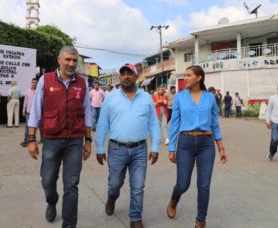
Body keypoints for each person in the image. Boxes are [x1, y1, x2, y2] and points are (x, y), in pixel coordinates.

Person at [27, 45, 92, 228]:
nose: (71, 64)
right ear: (59, 60)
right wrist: (31, 140)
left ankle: (69, 224)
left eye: (74, 60)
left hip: (74, 141)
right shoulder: (45, 81)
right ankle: (51, 201)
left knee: (71, 185)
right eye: (68, 60)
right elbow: (35, 112)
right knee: (48, 180)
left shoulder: (82, 83)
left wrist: (88, 141)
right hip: (51, 139)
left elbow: (87, 114)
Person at [95, 63, 160, 228]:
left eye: (129, 73)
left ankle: (135, 218)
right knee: (115, 183)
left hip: (140, 149)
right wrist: (100, 148)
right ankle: (111, 198)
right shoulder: (110, 98)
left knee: (138, 185)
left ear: (136, 77)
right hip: (117, 149)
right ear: (119, 77)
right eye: (123, 74)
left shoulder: (146, 98)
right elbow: (102, 124)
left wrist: (155, 148)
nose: (126, 76)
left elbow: (153, 123)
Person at [167, 65, 228, 228]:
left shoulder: (209, 98)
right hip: (185, 143)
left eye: (188, 75)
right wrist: (171, 148)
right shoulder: (180, 97)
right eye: (185, 75)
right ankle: (173, 200)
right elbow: (174, 124)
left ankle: (201, 220)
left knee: (204, 185)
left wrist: (221, 147)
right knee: (183, 184)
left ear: (199, 77)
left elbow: (215, 123)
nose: (185, 78)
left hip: (206, 145)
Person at [20, 78, 38, 147]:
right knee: (27, 126)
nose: (34, 83)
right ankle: (26, 140)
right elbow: (25, 102)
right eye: (33, 82)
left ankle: (40, 140)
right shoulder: (27, 91)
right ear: (31, 83)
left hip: (36, 112)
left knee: (37, 126)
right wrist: (23, 110)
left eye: (35, 82)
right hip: (29, 112)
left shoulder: (39, 90)